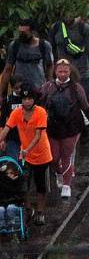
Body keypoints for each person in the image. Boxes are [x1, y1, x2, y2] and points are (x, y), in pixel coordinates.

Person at [38, 60, 89, 200]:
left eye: (65, 71)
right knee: (54, 158)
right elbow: (39, 104)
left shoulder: (76, 88)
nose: (62, 74)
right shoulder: (47, 87)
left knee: (66, 155)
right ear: (55, 71)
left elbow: (85, 105)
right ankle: (59, 173)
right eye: (59, 71)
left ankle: (67, 185)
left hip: (71, 127)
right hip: (53, 128)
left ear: (70, 72)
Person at [0, 86, 53, 224]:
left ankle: (40, 212)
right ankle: (29, 209)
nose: (27, 101)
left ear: (34, 100)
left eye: (30, 98)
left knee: (41, 186)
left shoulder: (40, 112)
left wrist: (27, 150)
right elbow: (6, 129)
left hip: (41, 154)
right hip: (25, 155)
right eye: (24, 99)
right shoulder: (17, 113)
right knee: (23, 184)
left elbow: (37, 135)